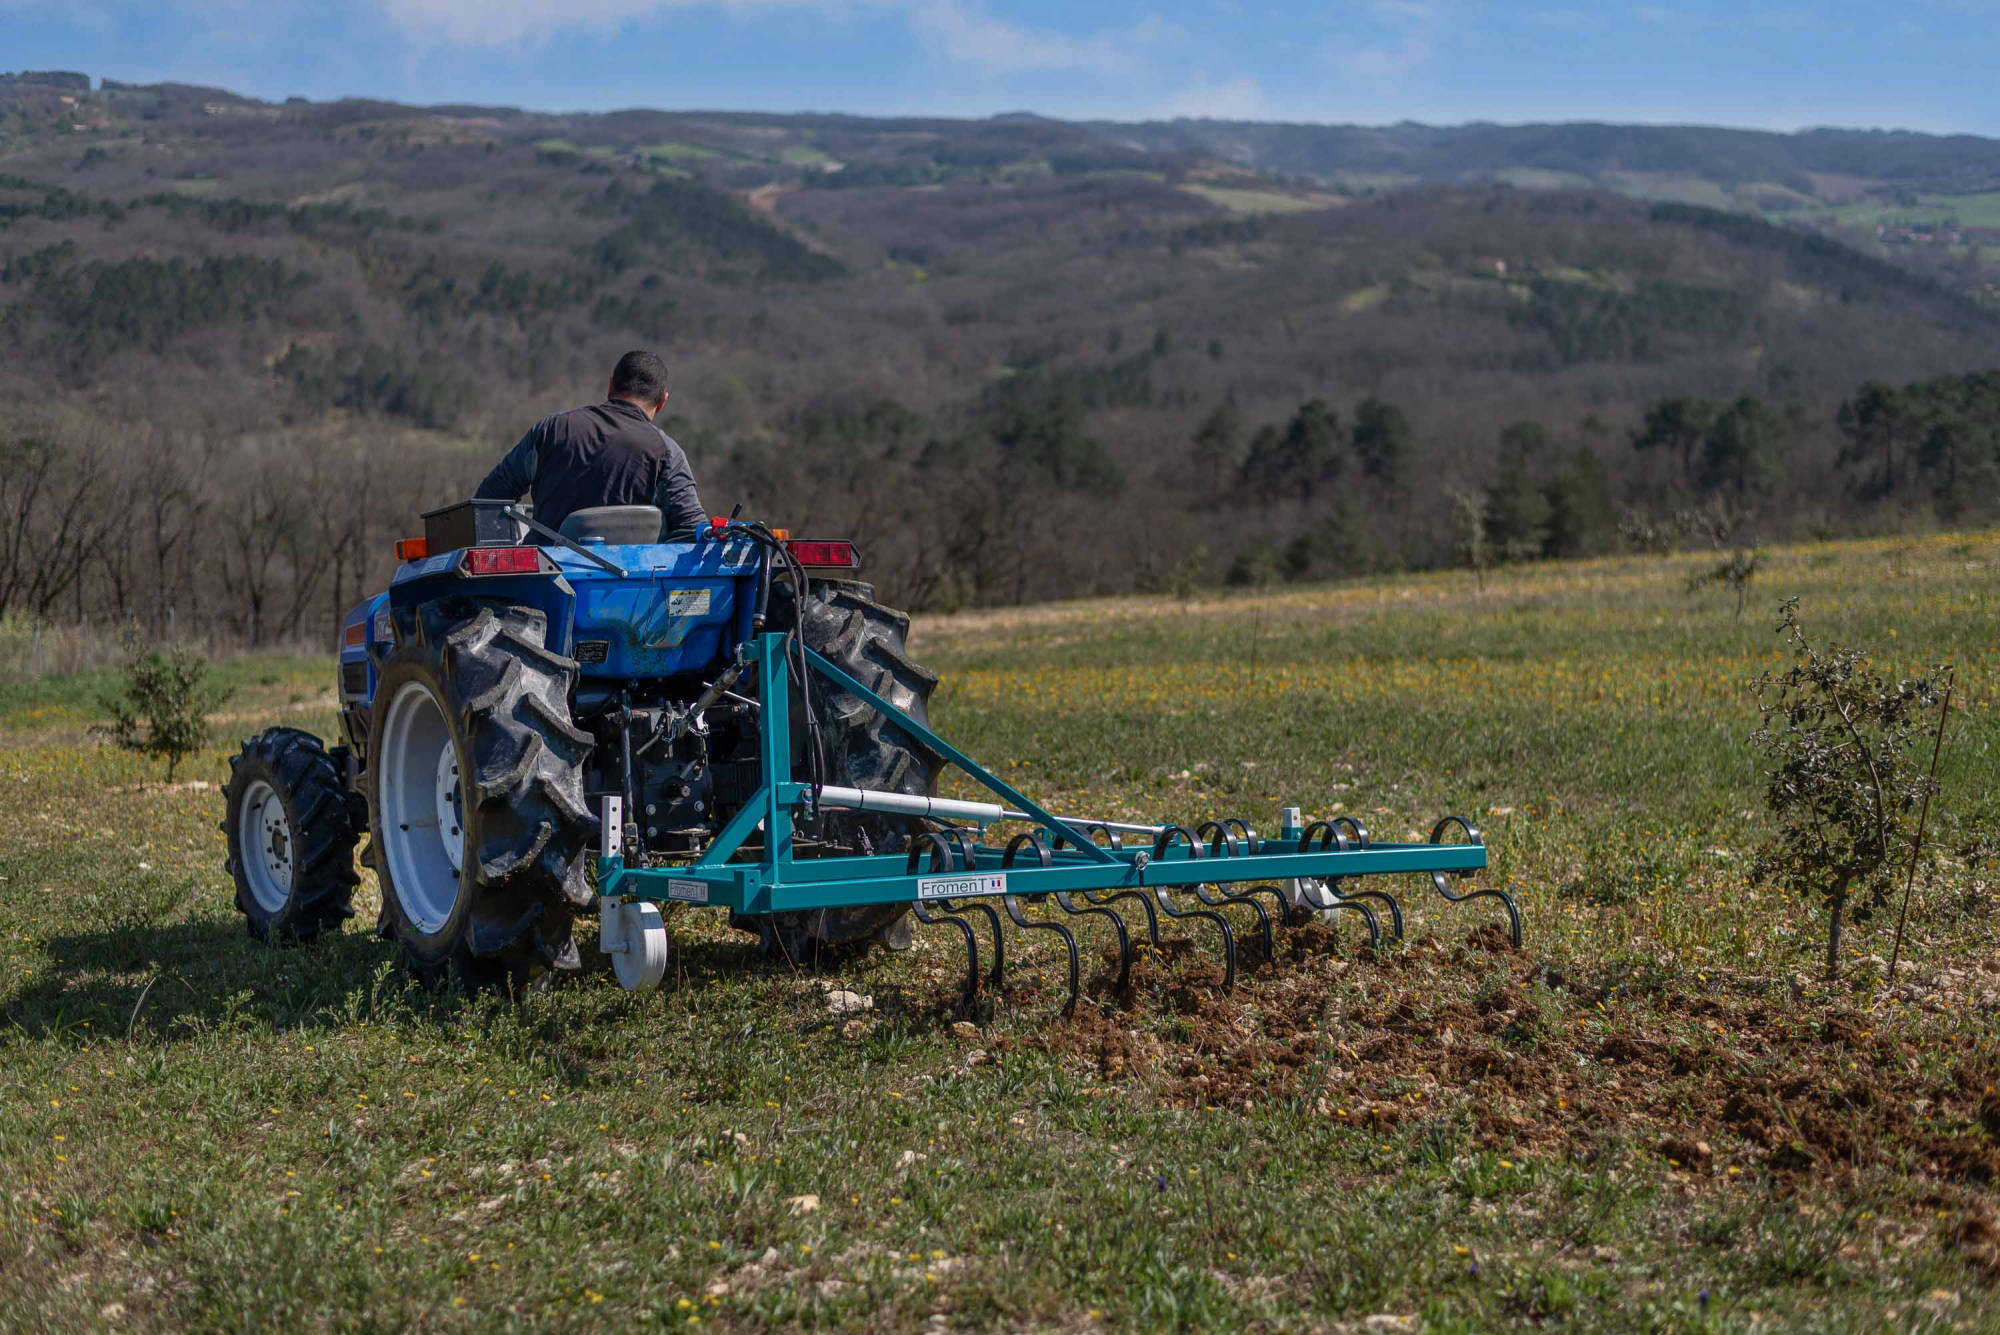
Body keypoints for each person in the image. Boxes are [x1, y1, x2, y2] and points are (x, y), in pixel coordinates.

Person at [475, 350, 707, 540]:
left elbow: (490, 497)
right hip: (634, 587)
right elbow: (692, 528)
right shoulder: (666, 451)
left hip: (543, 581)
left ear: (610, 387)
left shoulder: (552, 429)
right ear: (662, 401)